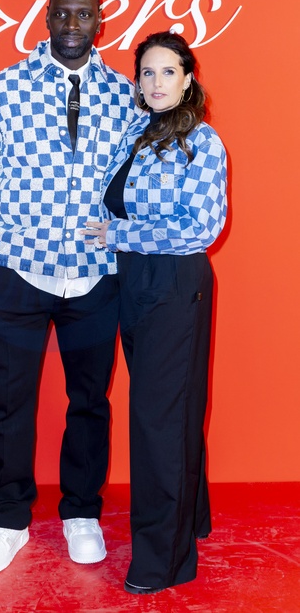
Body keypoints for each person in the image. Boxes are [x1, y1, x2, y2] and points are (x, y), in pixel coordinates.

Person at [0, 0, 138, 574]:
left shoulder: (125, 95)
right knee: (7, 404)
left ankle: (81, 512)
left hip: (96, 277)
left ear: (99, 21)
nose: (72, 25)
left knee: (89, 402)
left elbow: (138, 181)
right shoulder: (2, 89)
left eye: (83, 15)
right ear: (47, 18)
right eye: (62, 14)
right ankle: (7, 520)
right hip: (16, 272)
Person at [83, 31, 227, 594]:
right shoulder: (135, 134)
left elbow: (202, 229)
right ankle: (192, 520)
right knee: (171, 411)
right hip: (134, 282)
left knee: (157, 421)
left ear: (188, 79)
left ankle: (163, 561)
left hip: (174, 284)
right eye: (147, 72)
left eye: (168, 71)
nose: (156, 81)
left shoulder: (202, 142)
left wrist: (120, 234)